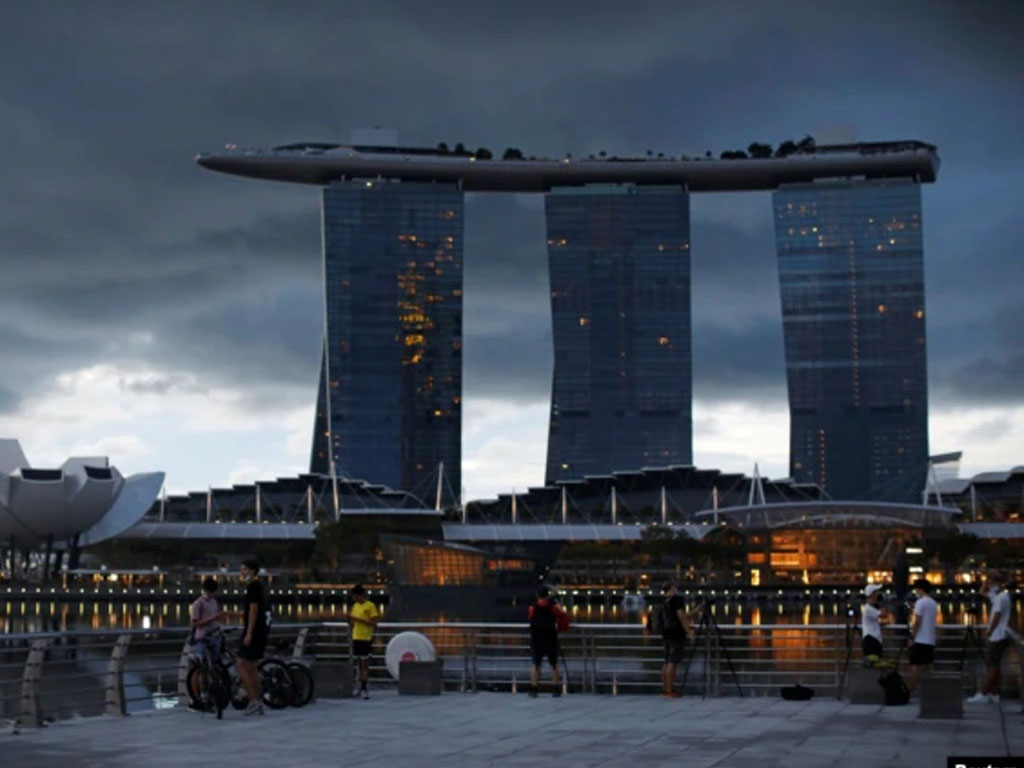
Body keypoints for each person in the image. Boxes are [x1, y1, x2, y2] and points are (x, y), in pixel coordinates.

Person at [967, 572, 1013, 704]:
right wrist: (985, 582)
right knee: (996, 666)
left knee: (992, 666)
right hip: (1000, 635)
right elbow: (982, 593)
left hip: (997, 636)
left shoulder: (1001, 598)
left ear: (998, 583)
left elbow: (997, 616)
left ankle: (983, 692)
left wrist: (989, 631)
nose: (990, 585)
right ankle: (994, 693)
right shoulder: (1000, 596)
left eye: (992, 582)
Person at [237, 558, 269, 716]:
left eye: (244, 570)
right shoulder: (260, 586)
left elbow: (254, 610)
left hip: (254, 632)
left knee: (241, 665)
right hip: (261, 631)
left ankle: (254, 701)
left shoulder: (253, 587)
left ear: (252, 571)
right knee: (252, 667)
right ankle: (257, 702)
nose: (242, 573)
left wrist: (248, 633)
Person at [527, 586, 570, 698]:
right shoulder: (553, 607)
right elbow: (564, 617)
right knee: (554, 665)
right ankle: (555, 688)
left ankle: (534, 688)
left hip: (537, 639)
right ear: (547, 595)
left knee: (536, 665)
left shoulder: (533, 607)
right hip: (550, 638)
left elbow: (530, 619)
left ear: (537, 595)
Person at [659, 583, 692, 697]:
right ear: (672, 589)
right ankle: (670, 690)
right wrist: (689, 631)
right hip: (677, 635)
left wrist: (696, 610)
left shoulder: (664, 601)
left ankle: (665, 688)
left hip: (666, 634)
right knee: (673, 662)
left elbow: (682, 614)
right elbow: (681, 616)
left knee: (667, 662)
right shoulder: (677, 599)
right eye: (675, 588)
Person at [346, 584, 379, 699]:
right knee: (359, 664)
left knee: (365, 664)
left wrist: (357, 619)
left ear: (361, 595)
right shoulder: (355, 606)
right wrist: (350, 622)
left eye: (355, 596)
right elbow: (353, 622)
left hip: (366, 637)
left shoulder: (370, 606)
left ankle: (365, 688)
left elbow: (374, 623)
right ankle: (359, 687)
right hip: (356, 637)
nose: (354, 599)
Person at [907, 577, 937, 694]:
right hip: (930, 639)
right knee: (928, 666)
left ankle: (909, 691)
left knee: (915, 666)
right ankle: (932, 691)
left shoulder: (920, 602)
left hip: (920, 640)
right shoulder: (933, 603)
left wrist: (911, 637)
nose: (915, 591)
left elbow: (917, 621)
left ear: (920, 589)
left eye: (916, 589)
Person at [190, 576, 224, 665]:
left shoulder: (214, 601)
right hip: (202, 638)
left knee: (215, 664)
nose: (211, 593)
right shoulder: (198, 603)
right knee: (202, 665)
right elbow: (195, 623)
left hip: (215, 636)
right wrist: (213, 618)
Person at [861, 584, 886, 664]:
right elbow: (883, 614)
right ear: (872, 594)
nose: (878, 594)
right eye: (876, 592)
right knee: (874, 665)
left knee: (876, 664)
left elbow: (875, 620)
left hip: (874, 639)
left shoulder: (870, 608)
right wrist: (880, 603)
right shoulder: (868, 608)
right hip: (872, 640)